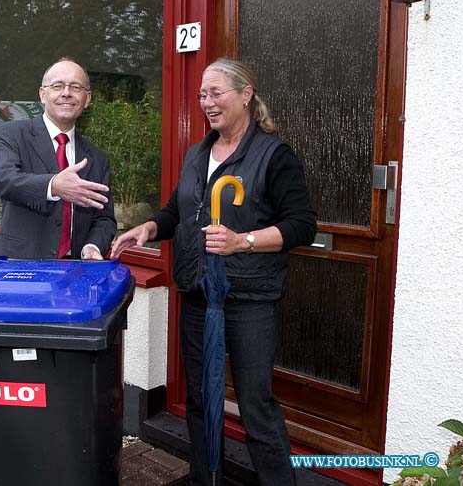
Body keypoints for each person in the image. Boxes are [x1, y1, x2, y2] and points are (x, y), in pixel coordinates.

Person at [111, 57, 316, 485]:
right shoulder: (198, 152)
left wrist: (245, 241)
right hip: (199, 294)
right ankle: (205, 479)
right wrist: (148, 228)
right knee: (202, 399)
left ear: (246, 94)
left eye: (216, 92)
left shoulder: (274, 155)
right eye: (203, 94)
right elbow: (177, 212)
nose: (207, 101)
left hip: (249, 298)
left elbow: (302, 226)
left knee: (255, 405)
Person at [0, 58, 116, 260]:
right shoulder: (10, 134)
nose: (66, 93)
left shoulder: (98, 158)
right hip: (19, 267)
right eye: (58, 86)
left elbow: (104, 218)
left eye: (76, 87)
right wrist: (53, 186)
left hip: (74, 268)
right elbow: (3, 179)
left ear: (87, 98)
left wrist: (93, 245)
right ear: (43, 94)